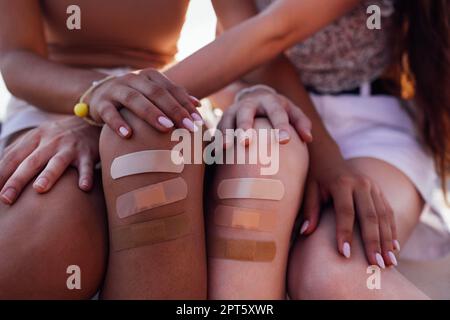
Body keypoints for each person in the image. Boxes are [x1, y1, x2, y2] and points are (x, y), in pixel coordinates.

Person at [0, 0, 448, 299]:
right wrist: (98, 102)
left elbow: (264, 37)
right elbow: (14, 58)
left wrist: (111, 109)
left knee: (324, 263)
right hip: (76, 98)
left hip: (358, 117)